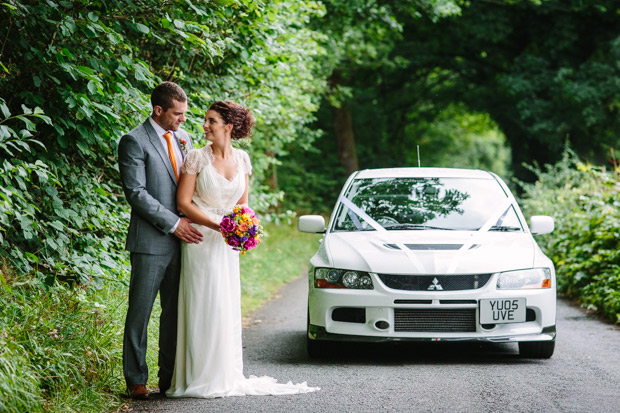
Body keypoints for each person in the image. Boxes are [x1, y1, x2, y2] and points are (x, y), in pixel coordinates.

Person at [166, 101, 319, 398]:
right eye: (205, 120)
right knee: (203, 302)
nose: (204, 125)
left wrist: (245, 229)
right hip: (200, 240)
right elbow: (183, 203)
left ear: (229, 126)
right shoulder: (196, 158)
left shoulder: (243, 159)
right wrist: (218, 226)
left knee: (225, 302)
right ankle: (199, 375)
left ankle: (225, 373)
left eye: (211, 121)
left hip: (228, 245)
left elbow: (243, 206)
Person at [118, 81, 204, 400]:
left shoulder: (185, 138)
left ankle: (168, 379)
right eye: (178, 113)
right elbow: (136, 193)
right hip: (150, 242)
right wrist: (173, 223)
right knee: (140, 312)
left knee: (174, 313)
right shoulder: (133, 141)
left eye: (184, 113)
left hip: (185, 244)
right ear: (159, 111)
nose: (183, 119)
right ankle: (136, 379)